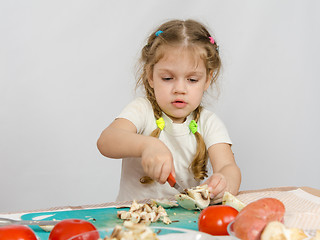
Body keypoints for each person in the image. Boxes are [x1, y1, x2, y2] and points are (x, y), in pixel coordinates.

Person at [97, 19, 241, 203]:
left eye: (192, 80)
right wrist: (147, 145)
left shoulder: (208, 122)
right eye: (167, 78)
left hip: (182, 222)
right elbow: (106, 141)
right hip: (135, 220)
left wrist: (224, 182)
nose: (179, 89)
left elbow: (228, 166)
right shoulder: (142, 110)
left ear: (207, 80)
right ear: (150, 76)